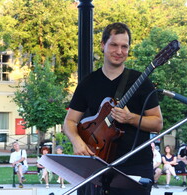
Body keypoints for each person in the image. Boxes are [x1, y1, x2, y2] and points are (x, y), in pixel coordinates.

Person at [63, 22, 163, 195]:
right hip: (96, 163)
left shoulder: (141, 81)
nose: (119, 51)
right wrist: (77, 142)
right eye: (114, 45)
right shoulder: (88, 83)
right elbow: (70, 121)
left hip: (135, 164)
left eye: (124, 46)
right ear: (103, 45)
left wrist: (130, 118)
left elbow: (157, 123)